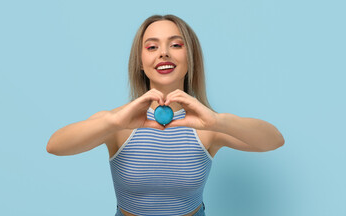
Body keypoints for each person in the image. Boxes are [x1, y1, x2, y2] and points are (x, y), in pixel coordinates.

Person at [46, 14, 285, 216]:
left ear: (190, 59)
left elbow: (273, 140)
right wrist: (114, 122)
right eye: (152, 46)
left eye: (176, 45)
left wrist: (217, 121)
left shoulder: (208, 124)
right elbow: (55, 146)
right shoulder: (118, 121)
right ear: (140, 62)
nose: (164, 53)